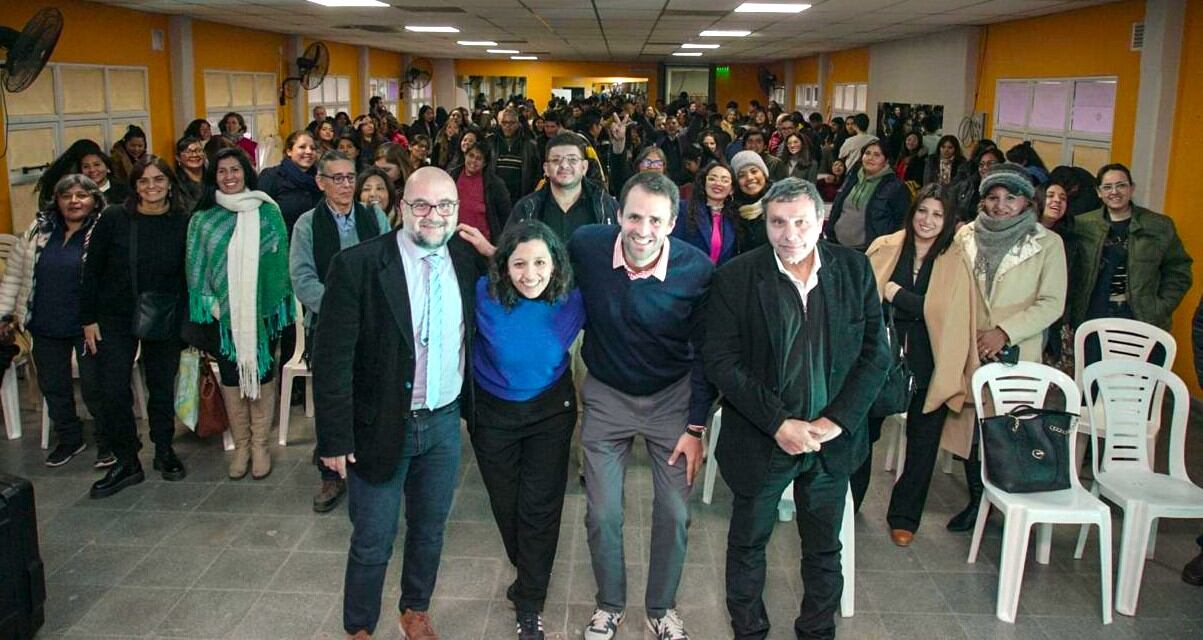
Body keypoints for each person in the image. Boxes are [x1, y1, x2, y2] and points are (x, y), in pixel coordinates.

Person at [704, 177, 890, 640]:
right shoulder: (738, 277)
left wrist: (835, 422)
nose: (790, 234)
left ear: (821, 221)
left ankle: (817, 630)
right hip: (763, 440)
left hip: (831, 444)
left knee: (825, 547)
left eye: (801, 222)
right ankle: (748, 629)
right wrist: (778, 423)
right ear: (764, 222)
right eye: (778, 223)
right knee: (748, 544)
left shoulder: (854, 271)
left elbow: (875, 355)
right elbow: (721, 361)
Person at [313, 166, 483, 640]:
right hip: (380, 425)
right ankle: (360, 627)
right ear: (401, 208)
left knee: (430, 530)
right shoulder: (359, 266)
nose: (434, 216)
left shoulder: (467, 260)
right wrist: (334, 438)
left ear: (456, 211)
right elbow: (332, 361)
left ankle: (415, 609)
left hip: (444, 424)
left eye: (445, 206)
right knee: (372, 539)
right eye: (422, 205)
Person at [569, 171, 715, 640]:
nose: (643, 229)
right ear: (618, 215)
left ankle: (661, 608)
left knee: (674, 511)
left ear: (672, 223)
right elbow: (538, 264)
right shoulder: (588, 247)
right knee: (602, 512)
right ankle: (609, 604)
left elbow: (709, 353)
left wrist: (695, 427)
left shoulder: (695, 270)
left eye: (655, 219)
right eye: (634, 216)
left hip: (671, 400)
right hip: (608, 396)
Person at [468, 220, 585, 640]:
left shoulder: (573, 298)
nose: (530, 274)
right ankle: (529, 571)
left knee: (539, 507)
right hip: (493, 414)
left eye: (540, 262)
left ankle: (530, 600)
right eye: (519, 263)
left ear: (556, 264)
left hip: (549, 413)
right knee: (507, 505)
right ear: (504, 265)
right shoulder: (483, 293)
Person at [943, 163, 1067, 532]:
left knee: (1008, 427)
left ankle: (1010, 497)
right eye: (993, 198)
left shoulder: (1047, 243)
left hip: (1015, 350)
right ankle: (977, 499)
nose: (1000, 206)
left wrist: (1004, 332)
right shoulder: (966, 235)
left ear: (1027, 202)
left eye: (1010, 198)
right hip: (970, 345)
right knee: (973, 426)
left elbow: (1051, 302)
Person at [863, 186, 975, 545]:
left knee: (924, 442)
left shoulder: (957, 259)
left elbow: (947, 312)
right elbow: (864, 297)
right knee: (862, 432)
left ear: (949, 222)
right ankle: (847, 501)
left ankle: (904, 518)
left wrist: (897, 295)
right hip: (882, 355)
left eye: (938, 215)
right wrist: (909, 301)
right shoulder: (886, 246)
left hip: (933, 357)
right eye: (922, 211)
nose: (928, 221)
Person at [81, 156, 190, 498]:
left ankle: (163, 449)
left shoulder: (183, 221)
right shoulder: (114, 218)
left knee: (160, 387)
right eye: (144, 181)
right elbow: (91, 270)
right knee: (111, 388)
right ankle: (126, 458)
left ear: (170, 183)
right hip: (114, 315)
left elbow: (189, 274)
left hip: (164, 312)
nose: (152, 187)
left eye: (159, 180)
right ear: (135, 186)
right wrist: (88, 319)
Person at [290, 151, 391, 513]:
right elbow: (302, 279)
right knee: (333, 396)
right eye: (337, 178)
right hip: (328, 324)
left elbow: (388, 265)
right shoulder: (307, 224)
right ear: (320, 183)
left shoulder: (373, 216)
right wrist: (340, 311)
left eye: (351, 177)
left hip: (372, 323)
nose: (346, 185)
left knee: (371, 393)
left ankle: (366, 460)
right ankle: (330, 473)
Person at [186, 148, 293, 480]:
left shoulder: (267, 211)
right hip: (223, 316)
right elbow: (198, 267)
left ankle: (260, 445)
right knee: (231, 376)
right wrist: (217, 307)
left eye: (235, 169)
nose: (229, 176)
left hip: (263, 312)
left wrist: (266, 304)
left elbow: (280, 263)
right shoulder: (202, 219)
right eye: (221, 171)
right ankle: (242, 445)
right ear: (213, 176)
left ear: (247, 173)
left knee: (263, 373)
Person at [0, 175, 108, 468]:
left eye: (81, 195)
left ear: (94, 199)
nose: (74, 201)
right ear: (56, 201)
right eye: (66, 196)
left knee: (94, 387)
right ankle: (70, 438)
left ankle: (107, 440)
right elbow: (14, 276)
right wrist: (4, 313)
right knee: (54, 385)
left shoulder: (103, 230)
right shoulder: (38, 231)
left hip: (88, 325)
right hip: (44, 322)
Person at [1066, 163, 1192, 335]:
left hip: (1141, 317)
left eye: (1121, 185)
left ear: (1131, 188)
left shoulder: (1158, 225)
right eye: (1108, 187)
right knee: (1094, 362)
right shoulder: (1082, 225)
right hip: (1093, 314)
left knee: (1136, 363)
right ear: (1098, 192)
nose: (1114, 192)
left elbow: (1179, 270)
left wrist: (1161, 307)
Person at [508, 132, 618, 242]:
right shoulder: (527, 208)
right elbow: (509, 250)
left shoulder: (606, 205)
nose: (564, 165)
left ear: (584, 167)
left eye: (572, 160)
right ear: (546, 169)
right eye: (556, 160)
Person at [827, 141, 910, 251]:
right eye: (867, 153)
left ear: (886, 161)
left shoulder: (895, 187)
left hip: (869, 250)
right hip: (836, 243)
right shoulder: (853, 176)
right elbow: (837, 205)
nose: (870, 158)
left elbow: (901, 223)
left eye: (877, 155)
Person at [671, 161, 739, 266]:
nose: (718, 183)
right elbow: (674, 247)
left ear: (732, 190)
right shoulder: (684, 209)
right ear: (704, 183)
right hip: (688, 276)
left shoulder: (734, 217)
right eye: (712, 179)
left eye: (725, 180)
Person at [259, 130, 321, 236]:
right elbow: (260, 215)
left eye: (313, 148)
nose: (309, 151)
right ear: (289, 151)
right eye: (302, 147)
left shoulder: (320, 180)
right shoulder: (272, 176)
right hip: (282, 244)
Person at [449, 140, 511, 242]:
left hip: (482, 243)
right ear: (465, 156)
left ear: (485, 163)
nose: (473, 161)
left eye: (478, 158)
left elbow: (505, 217)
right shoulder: (452, 175)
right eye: (471, 155)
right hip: (453, 238)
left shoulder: (495, 185)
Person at [491, 107, 541, 205]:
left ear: (518, 124)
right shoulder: (491, 143)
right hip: (496, 197)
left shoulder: (529, 145)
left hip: (520, 197)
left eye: (511, 123)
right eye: (504, 123)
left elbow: (536, 173)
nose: (507, 126)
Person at [730, 150, 772, 254]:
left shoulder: (781, 201)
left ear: (764, 174)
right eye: (741, 175)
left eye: (754, 171)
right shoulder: (731, 208)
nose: (749, 178)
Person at [174, 136, 206, 213]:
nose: (194, 155)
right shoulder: (175, 183)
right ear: (178, 157)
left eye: (198, 150)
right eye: (188, 152)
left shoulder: (213, 177)